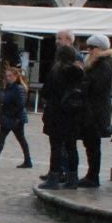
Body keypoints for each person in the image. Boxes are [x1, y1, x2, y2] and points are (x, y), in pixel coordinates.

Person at [39, 31, 85, 188]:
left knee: (56, 147)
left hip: (57, 113)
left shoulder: (56, 71)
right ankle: (73, 178)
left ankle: (54, 177)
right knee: (72, 147)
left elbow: (46, 92)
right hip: (74, 114)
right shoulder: (79, 72)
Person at [75, 34, 112, 187]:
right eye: (88, 47)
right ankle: (91, 175)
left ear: (100, 49)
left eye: (92, 48)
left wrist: (83, 83)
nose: (89, 51)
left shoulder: (103, 65)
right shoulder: (95, 64)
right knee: (89, 144)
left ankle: (93, 176)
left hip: (95, 113)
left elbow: (97, 87)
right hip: (90, 111)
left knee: (93, 145)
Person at [0, 62, 33, 169]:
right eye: (7, 76)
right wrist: (1, 114)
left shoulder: (18, 88)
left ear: (16, 76)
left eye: (10, 76)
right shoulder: (9, 87)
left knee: (21, 139)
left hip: (15, 119)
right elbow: (5, 102)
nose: (8, 78)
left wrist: (14, 118)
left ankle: (28, 160)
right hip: (6, 117)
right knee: (1, 139)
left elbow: (21, 105)